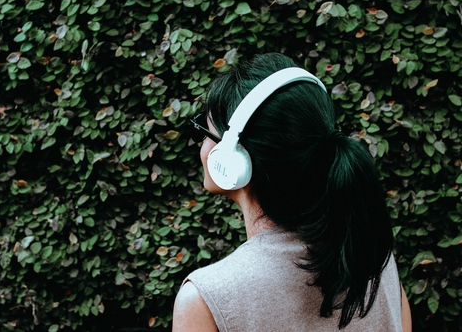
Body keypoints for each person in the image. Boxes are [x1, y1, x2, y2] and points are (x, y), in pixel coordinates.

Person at [173, 53, 411, 331]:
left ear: (231, 160)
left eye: (205, 132)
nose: (201, 145)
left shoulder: (207, 298)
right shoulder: (375, 264)